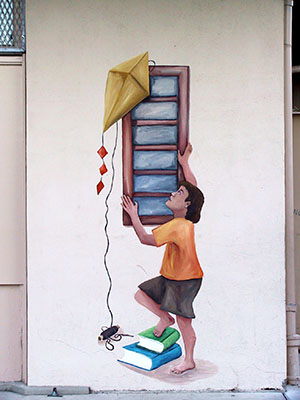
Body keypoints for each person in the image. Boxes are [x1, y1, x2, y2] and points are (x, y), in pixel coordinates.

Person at [121, 143, 204, 375]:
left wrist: (134, 216)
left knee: (185, 321)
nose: (172, 194)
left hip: (185, 281)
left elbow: (145, 239)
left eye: (178, 194)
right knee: (141, 294)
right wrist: (184, 164)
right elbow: (193, 188)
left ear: (186, 205)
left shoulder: (178, 226)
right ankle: (164, 319)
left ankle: (189, 359)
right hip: (171, 277)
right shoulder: (185, 219)